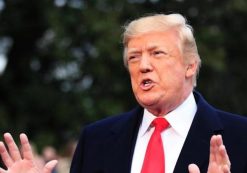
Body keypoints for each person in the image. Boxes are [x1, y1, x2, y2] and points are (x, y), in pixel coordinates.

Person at [0, 13, 247, 173]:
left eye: (157, 53)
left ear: (190, 65)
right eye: (134, 57)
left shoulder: (241, 138)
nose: (143, 66)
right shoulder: (95, 140)